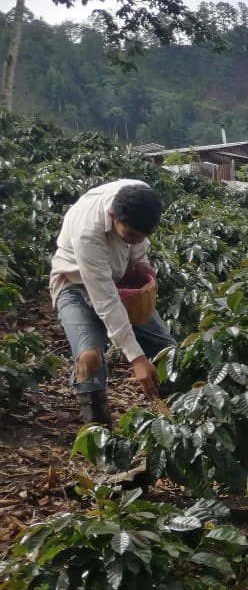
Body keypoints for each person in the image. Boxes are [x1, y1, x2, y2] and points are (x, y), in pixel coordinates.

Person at [50, 179, 177, 425]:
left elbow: (138, 244)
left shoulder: (139, 195)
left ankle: (179, 421)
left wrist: (140, 260)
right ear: (112, 216)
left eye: (143, 236)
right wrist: (136, 358)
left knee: (169, 354)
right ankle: (101, 438)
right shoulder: (88, 232)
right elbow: (105, 298)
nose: (136, 241)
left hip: (118, 281)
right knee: (90, 360)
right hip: (75, 283)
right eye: (130, 235)